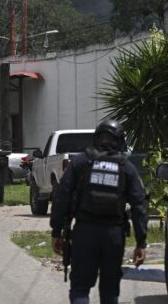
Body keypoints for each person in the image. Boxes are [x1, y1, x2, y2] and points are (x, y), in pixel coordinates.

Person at [50, 120, 147, 304]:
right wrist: (141, 242)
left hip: (84, 232)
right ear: (120, 140)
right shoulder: (127, 167)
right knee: (110, 292)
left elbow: (61, 197)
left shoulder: (80, 161)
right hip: (113, 235)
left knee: (80, 288)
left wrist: (57, 232)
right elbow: (138, 205)